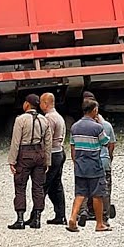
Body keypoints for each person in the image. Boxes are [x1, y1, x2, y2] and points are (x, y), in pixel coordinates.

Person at [7, 94, 54, 230]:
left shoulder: (21, 120)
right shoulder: (44, 120)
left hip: (24, 154)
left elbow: (16, 141)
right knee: (38, 187)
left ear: (27, 104)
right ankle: (37, 218)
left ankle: (20, 219)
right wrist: (47, 161)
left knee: (20, 186)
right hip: (39, 154)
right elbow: (48, 142)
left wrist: (12, 160)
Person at [67, 99, 111, 232]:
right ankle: (99, 224)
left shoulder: (75, 126)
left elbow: (72, 146)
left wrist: (75, 162)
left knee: (80, 193)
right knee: (97, 195)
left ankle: (73, 218)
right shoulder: (97, 127)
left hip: (80, 165)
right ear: (95, 111)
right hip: (94, 165)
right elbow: (105, 142)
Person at [80, 91, 116, 223]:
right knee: (104, 189)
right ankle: (104, 216)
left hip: (87, 161)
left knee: (84, 186)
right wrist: (108, 157)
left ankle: (84, 211)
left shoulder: (80, 126)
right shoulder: (106, 125)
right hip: (103, 161)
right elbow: (110, 144)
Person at [38, 92, 68, 225]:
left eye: (40, 102)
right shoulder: (59, 117)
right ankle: (60, 215)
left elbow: (46, 139)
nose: (39, 105)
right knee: (56, 185)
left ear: (46, 103)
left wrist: (44, 157)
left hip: (52, 154)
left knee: (43, 185)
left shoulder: (49, 118)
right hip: (60, 151)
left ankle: (36, 215)